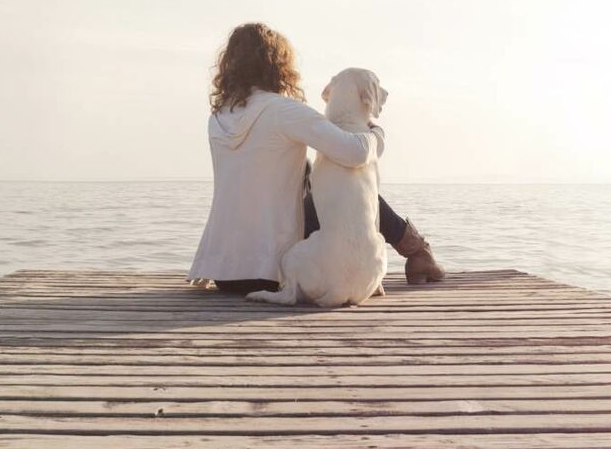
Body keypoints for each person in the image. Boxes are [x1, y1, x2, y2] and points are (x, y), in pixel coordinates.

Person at [188, 22, 446, 295]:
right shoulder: (284, 111)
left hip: (225, 274)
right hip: (276, 269)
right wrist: (376, 131)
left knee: (309, 170)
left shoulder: (217, 118)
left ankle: (417, 252)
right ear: (278, 65)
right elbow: (356, 153)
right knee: (351, 183)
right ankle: (418, 252)